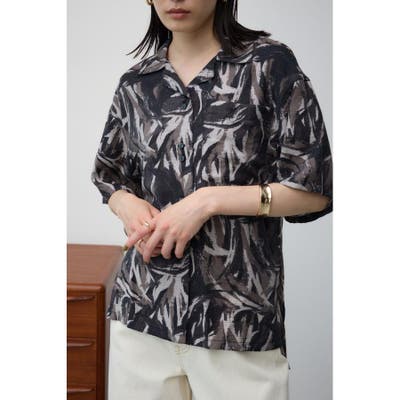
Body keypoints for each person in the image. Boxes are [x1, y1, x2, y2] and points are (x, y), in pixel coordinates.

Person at [90, 0, 333, 399]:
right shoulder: (136, 83)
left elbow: (314, 190)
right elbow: (108, 174)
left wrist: (209, 201)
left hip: (237, 324)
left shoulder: (268, 65)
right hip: (142, 315)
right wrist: (124, 203)